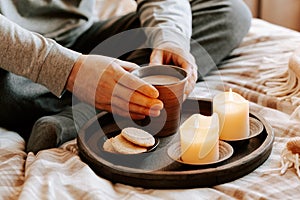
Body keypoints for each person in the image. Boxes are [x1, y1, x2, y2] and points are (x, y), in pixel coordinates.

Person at [0, 0, 252, 153]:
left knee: (228, 10)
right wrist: (71, 70)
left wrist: (169, 36)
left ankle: (81, 113)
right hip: (13, 59)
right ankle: (100, 103)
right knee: (6, 87)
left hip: (81, 39)